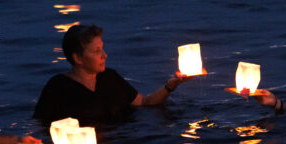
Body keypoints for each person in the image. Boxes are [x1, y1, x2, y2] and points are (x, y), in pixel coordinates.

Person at [33, 24, 193, 125]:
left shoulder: (110, 78)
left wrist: (171, 85)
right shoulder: (58, 88)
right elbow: (39, 126)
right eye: (97, 51)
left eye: (102, 48)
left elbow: (145, 102)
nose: (104, 55)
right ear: (78, 58)